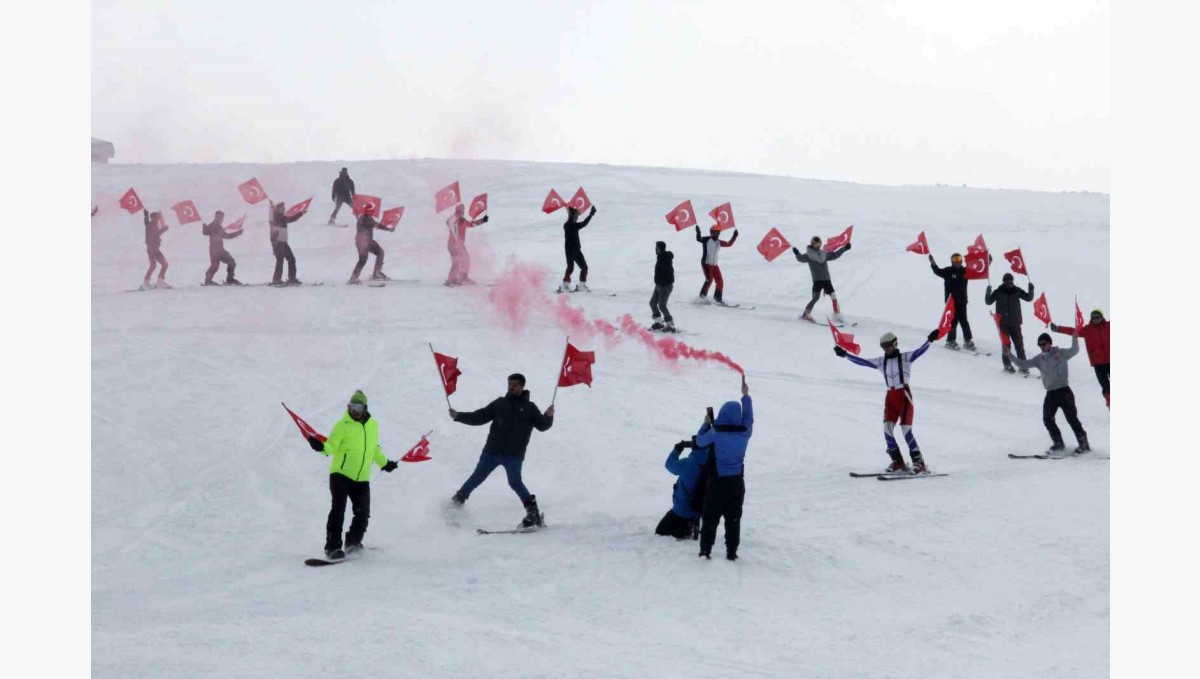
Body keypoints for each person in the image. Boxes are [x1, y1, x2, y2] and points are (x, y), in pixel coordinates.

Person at [448, 374, 556, 529]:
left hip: (513, 456)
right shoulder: (500, 403)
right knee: (476, 478)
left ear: (522, 387)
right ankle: (455, 504)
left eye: (514, 385)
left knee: (515, 483)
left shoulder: (529, 408)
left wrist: (548, 416)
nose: (511, 387)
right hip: (491, 452)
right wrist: (459, 416)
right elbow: (480, 416)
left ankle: (533, 514)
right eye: (509, 384)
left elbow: (542, 426)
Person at [305, 390, 399, 560]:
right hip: (340, 474)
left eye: (357, 406)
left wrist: (385, 463)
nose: (353, 410)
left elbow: (373, 449)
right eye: (350, 406)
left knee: (363, 513)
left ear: (365, 407)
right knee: (338, 509)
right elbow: (331, 446)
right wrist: (320, 447)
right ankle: (332, 547)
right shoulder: (342, 425)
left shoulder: (373, 425)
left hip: (362, 477)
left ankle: (353, 542)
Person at [834, 329, 940, 474]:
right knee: (887, 429)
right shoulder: (881, 361)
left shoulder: (905, 358)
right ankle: (898, 462)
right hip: (890, 396)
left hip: (904, 394)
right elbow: (863, 362)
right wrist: (845, 355)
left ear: (895, 343)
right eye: (883, 346)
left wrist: (930, 340)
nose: (886, 348)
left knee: (906, 430)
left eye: (889, 345)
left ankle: (919, 463)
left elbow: (919, 351)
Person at [695, 380, 753, 561]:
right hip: (737, 483)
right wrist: (745, 396)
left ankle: (705, 551)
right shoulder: (745, 432)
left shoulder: (715, 433)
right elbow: (748, 417)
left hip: (717, 482)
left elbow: (699, 442)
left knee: (710, 517)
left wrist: (706, 424)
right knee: (733, 520)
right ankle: (732, 552)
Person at [1006, 333, 1090, 454]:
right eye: (1039, 344)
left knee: (1071, 418)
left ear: (1050, 343)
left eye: (1044, 344)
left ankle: (1084, 444)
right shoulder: (1039, 359)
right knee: (1047, 418)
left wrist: (1075, 338)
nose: (1042, 346)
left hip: (1064, 391)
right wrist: (1009, 355)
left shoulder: (1060, 353)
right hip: (1051, 393)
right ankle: (1058, 444)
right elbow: (1023, 364)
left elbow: (1074, 350)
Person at [1051, 309, 1110, 409]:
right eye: (1093, 317)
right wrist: (1058, 328)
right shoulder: (1087, 330)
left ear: (1102, 317)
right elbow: (1072, 331)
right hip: (1098, 363)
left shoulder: (1109, 326)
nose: (1095, 319)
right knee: (1105, 385)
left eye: (1097, 317)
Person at [656, 438, 708, 540]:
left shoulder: (688, 463)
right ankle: (691, 526)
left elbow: (669, 465)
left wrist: (677, 449)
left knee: (660, 533)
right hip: (699, 510)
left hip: (680, 511)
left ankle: (685, 529)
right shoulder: (713, 464)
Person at [985, 273, 1035, 374]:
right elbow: (988, 301)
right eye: (1007, 281)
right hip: (1003, 324)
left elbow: (1028, 298)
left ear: (1012, 280)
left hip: (1015, 323)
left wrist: (1031, 289)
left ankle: (1023, 366)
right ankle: (1007, 365)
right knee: (1006, 345)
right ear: (1004, 281)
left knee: (1019, 345)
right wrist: (988, 292)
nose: (1009, 282)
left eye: (1010, 280)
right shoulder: (998, 291)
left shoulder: (1017, 290)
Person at [794, 236, 850, 322]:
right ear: (812, 244)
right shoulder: (809, 255)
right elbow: (801, 259)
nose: (818, 246)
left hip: (826, 279)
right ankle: (806, 314)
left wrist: (844, 248)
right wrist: (797, 253)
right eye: (816, 244)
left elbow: (835, 255)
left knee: (833, 296)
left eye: (819, 244)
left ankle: (837, 314)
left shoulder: (823, 254)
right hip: (817, 280)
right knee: (816, 297)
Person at [929, 252, 973, 349]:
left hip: (962, 301)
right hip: (951, 302)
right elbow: (937, 271)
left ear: (961, 260)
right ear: (951, 261)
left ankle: (967, 341)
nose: (957, 261)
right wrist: (933, 263)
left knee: (964, 321)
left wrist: (987, 263)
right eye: (954, 259)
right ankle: (950, 341)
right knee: (953, 321)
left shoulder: (965, 271)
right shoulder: (948, 271)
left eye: (958, 259)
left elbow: (977, 272)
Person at [349, 207, 395, 284]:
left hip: (366, 241)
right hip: (363, 241)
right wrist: (388, 229)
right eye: (372, 211)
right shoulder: (366, 218)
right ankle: (355, 277)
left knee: (379, 253)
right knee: (364, 258)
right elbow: (377, 225)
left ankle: (376, 273)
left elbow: (375, 224)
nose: (373, 212)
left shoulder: (365, 217)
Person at [445, 204, 488, 286]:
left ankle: (463, 277)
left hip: (460, 245)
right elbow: (448, 222)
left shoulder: (462, 220)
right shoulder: (453, 219)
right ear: (458, 210)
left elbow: (471, 224)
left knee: (466, 260)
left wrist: (482, 220)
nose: (463, 211)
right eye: (462, 210)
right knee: (456, 261)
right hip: (453, 245)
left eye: (463, 210)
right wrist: (455, 217)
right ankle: (451, 279)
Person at [695, 224, 739, 304]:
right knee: (709, 280)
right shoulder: (706, 239)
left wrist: (734, 236)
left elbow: (729, 244)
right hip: (706, 263)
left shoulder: (718, 242)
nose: (716, 234)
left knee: (720, 281)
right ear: (711, 232)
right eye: (714, 233)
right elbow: (698, 239)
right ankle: (702, 297)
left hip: (714, 265)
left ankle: (717, 298)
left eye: (718, 233)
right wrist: (698, 232)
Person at [558, 205, 597, 292]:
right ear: (572, 216)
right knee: (570, 267)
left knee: (584, 267)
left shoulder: (571, 225)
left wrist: (590, 214)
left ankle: (581, 286)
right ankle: (565, 286)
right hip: (570, 250)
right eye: (576, 216)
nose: (577, 218)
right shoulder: (569, 225)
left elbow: (582, 223)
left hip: (576, 250)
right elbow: (583, 224)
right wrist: (591, 214)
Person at [268, 200, 306, 285]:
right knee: (280, 260)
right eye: (283, 208)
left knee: (291, 259)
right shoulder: (277, 216)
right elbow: (290, 219)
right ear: (279, 209)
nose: (285, 209)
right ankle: (276, 279)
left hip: (283, 242)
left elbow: (289, 218)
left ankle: (291, 278)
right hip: (277, 242)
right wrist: (301, 213)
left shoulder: (279, 216)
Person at [201, 211, 243, 286]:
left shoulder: (219, 226)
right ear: (216, 217)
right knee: (215, 266)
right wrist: (204, 225)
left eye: (222, 217)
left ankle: (230, 279)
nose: (221, 219)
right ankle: (208, 281)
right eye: (220, 217)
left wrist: (238, 233)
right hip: (214, 251)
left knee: (231, 262)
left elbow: (227, 236)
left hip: (220, 250)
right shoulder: (213, 225)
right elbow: (205, 232)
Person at [650, 241, 675, 332]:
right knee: (652, 303)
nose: (655, 250)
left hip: (665, 286)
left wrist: (663, 283)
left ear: (660, 249)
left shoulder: (665, 258)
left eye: (656, 248)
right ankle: (658, 323)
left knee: (662, 305)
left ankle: (670, 325)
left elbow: (669, 273)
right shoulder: (660, 257)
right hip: (658, 285)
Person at [141, 209, 170, 289]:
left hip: (152, 248)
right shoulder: (153, 225)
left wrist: (146, 215)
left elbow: (146, 223)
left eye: (159, 218)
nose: (159, 219)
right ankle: (158, 282)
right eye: (157, 218)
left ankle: (147, 282)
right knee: (164, 264)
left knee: (154, 265)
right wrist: (164, 229)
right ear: (153, 218)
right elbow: (156, 234)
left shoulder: (150, 224)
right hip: (153, 249)